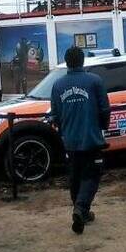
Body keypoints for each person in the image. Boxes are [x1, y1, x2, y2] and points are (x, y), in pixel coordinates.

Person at [50, 46, 110, 235]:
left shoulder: (57, 85)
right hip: (91, 138)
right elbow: (105, 109)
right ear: (83, 61)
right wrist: (102, 126)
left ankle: (81, 212)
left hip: (70, 141)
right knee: (91, 176)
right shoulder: (94, 81)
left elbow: (55, 114)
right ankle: (81, 209)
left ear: (67, 62)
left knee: (75, 178)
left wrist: (64, 130)